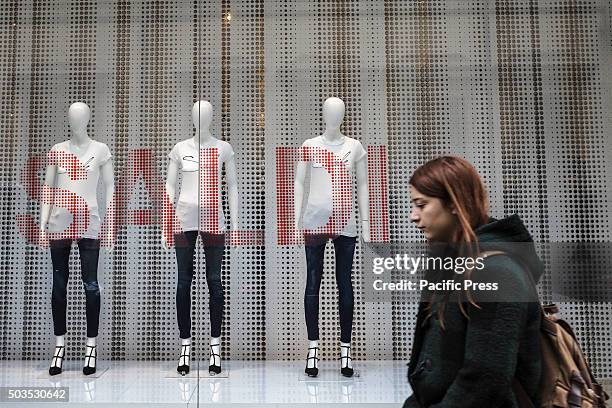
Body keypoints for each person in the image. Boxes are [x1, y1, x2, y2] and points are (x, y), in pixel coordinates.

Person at [403, 156, 543, 407]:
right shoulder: (452, 263)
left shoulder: (497, 272)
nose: (413, 216)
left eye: (421, 205)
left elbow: (484, 381)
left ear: (454, 203)